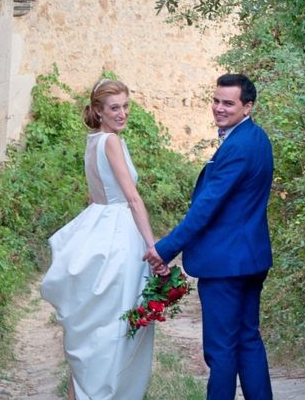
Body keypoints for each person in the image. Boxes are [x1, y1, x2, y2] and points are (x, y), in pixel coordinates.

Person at [144, 73, 274, 400]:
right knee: (247, 340)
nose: (218, 108)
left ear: (247, 107)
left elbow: (207, 206)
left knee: (221, 351)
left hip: (227, 264)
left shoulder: (239, 146)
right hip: (250, 259)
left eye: (227, 103)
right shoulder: (256, 139)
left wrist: (166, 248)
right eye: (216, 100)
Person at [40, 78, 162, 400]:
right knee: (116, 327)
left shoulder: (92, 140)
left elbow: (95, 198)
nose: (122, 114)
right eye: (114, 108)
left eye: (125, 106)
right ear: (98, 110)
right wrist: (153, 247)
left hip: (99, 225)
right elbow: (132, 199)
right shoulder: (112, 143)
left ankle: (83, 392)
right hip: (118, 236)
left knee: (100, 328)